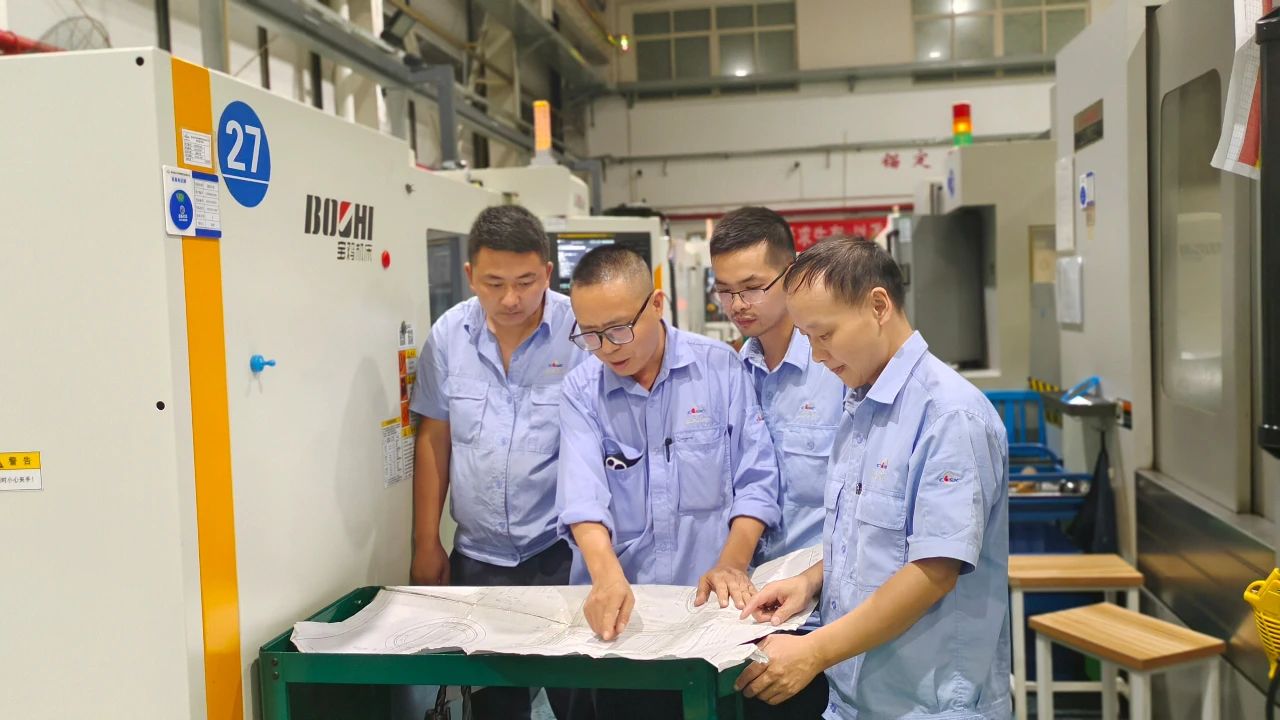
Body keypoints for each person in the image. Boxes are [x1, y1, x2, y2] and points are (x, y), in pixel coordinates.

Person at [736, 236, 1011, 719]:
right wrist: (811, 582)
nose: (817, 356)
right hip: (855, 698)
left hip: (928, 705)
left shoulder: (949, 416)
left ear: (878, 306)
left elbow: (932, 573)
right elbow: (870, 539)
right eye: (807, 338)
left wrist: (814, 651)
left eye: (825, 335)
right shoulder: (861, 404)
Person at [556, 245, 782, 719]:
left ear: (656, 304)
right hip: (626, 624)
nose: (608, 348)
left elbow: (757, 480)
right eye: (591, 335)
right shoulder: (581, 390)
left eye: (619, 329)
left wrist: (732, 565)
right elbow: (582, 499)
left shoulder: (719, 368)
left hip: (713, 615)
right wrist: (607, 578)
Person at [409, 204, 586, 719]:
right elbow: (434, 439)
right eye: (494, 283)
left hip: (563, 554)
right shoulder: (449, 336)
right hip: (480, 561)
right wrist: (426, 542)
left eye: (526, 282)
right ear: (470, 275)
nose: (511, 298)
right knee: (493, 705)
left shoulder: (581, 332)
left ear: (547, 273)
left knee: (580, 699)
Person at [709, 207, 844, 718]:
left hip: (826, 618)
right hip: (752, 616)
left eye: (752, 287)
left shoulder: (837, 370)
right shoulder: (730, 373)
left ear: (791, 272)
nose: (737, 305)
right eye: (725, 291)